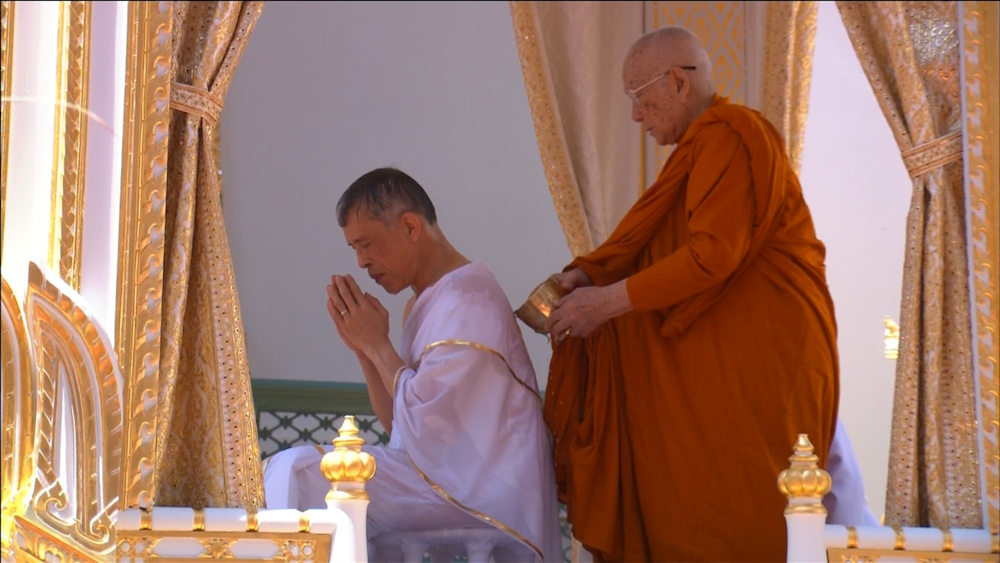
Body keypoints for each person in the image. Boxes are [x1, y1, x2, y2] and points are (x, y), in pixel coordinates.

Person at [542, 26, 840, 561]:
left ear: (678, 82)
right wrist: (594, 273)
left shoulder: (729, 134)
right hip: (723, 369)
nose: (636, 116)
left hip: (763, 365)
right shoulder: (698, 151)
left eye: (641, 97)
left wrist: (604, 303)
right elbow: (657, 247)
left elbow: (712, 255)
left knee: (745, 509)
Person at [262, 167, 564, 562]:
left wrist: (378, 344)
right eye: (354, 248)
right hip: (443, 475)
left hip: (481, 489)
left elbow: (424, 423)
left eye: (366, 243)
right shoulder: (428, 301)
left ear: (409, 226)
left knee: (300, 471)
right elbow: (400, 426)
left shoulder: (468, 299)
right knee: (302, 472)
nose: (361, 262)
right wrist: (366, 352)